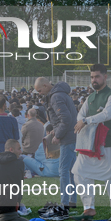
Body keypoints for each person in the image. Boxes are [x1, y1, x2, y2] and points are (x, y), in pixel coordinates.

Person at [71, 64, 111, 221]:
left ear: (105, 77)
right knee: (79, 172)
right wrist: (85, 121)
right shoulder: (90, 97)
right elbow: (80, 116)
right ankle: (89, 208)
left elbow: (107, 115)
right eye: (92, 77)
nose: (94, 80)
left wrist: (87, 120)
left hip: (109, 143)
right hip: (90, 144)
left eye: (97, 76)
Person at [34, 77, 77, 212]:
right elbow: (64, 119)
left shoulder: (55, 97)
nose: (40, 93)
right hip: (70, 135)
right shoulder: (60, 94)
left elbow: (66, 119)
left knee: (63, 171)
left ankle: (65, 203)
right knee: (71, 171)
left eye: (40, 90)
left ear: (46, 85)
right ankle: (71, 201)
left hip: (67, 137)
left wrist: (58, 135)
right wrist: (56, 129)